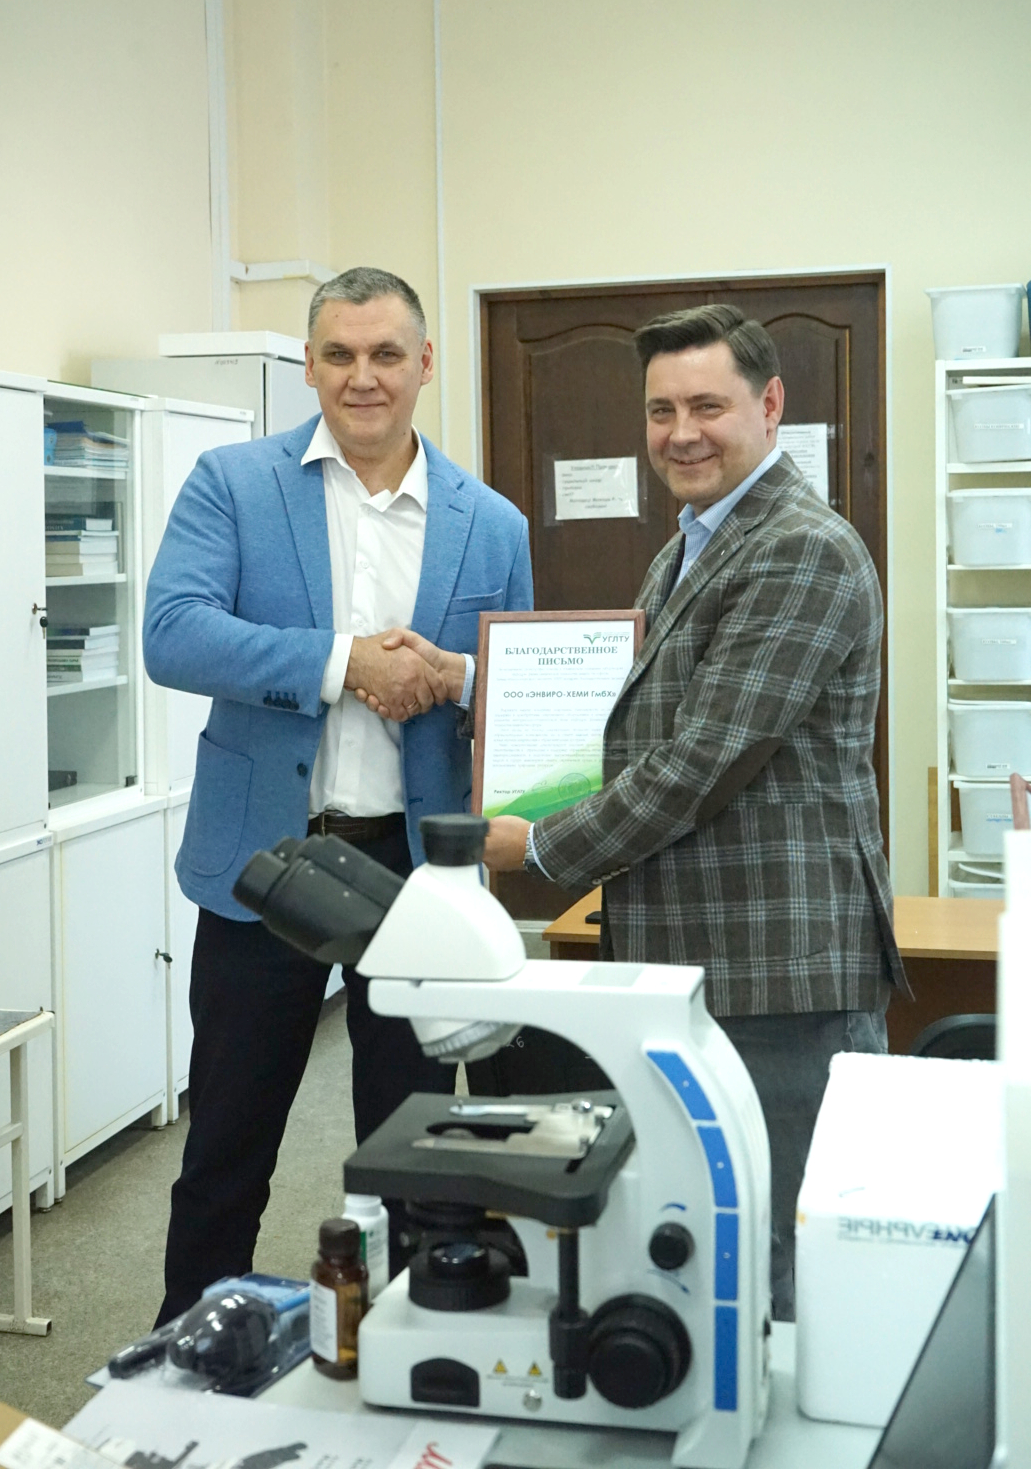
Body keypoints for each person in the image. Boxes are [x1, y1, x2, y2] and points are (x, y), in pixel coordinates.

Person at [478, 302, 909, 1321]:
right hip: (699, 959)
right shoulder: (692, 545)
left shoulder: (800, 548)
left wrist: (540, 844)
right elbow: (634, 710)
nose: (682, 433)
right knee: (714, 1242)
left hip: (780, 973)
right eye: (661, 410)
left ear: (770, 404)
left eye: (708, 406)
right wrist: (475, 684)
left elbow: (699, 762)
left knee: (786, 1257)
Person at [144, 266, 533, 1324]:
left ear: (425, 364)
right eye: (340, 354)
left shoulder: (492, 522)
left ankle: (406, 1345)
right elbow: (173, 633)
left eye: (386, 354)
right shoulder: (233, 483)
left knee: (411, 1140)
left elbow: (519, 695)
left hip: (415, 871)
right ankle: (188, 1346)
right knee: (227, 1141)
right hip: (266, 863)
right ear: (311, 366)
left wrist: (457, 676)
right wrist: (343, 661)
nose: (364, 377)